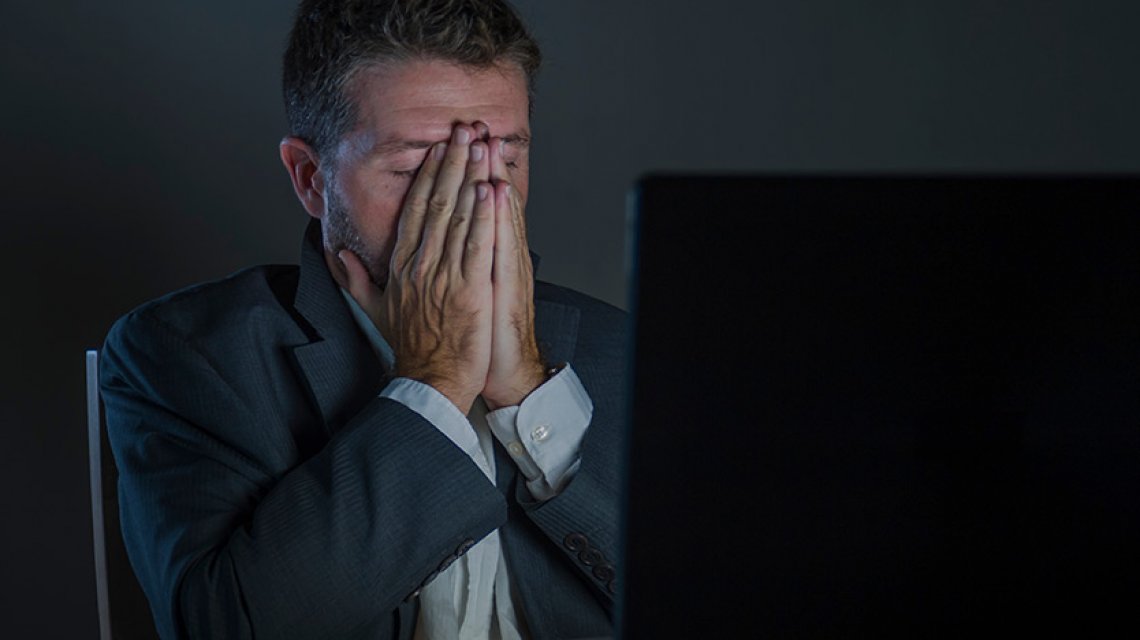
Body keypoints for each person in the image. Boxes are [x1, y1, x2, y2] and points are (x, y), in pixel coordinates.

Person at [98, 1, 627, 638]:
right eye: (414, 170)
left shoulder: (624, 348)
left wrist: (528, 395)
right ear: (311, 177)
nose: (466, 202)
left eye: (502, 162)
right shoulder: (189, 355)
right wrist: (436, 380)